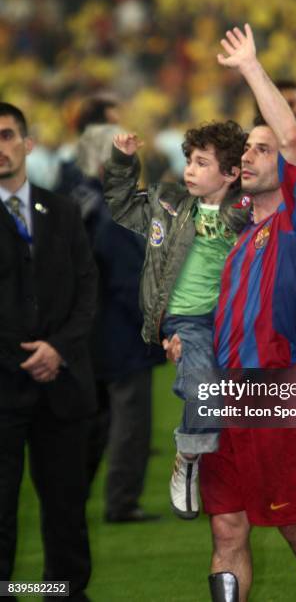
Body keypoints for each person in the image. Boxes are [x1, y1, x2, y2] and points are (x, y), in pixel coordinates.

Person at [178, 24, 296, 602]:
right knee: (226, 527)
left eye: (261, 148)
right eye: (245, 148)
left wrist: (251, 67)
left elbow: (295, 142)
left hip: (276, 389)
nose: (249, 155)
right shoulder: (230, 229)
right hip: (222, 393)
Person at [103, 120, 249, 519]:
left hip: (237, 321)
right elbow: (120, 204)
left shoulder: (248, 210)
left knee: (272, 403)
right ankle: (188, 458)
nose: (189, 169)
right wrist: (122, 162)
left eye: (202, 163)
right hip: (186, 320)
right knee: (203, 390)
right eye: (189, 160)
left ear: (231, 173)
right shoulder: (167, 202)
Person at [0, 102, 97, 600]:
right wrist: (22, 354)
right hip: (3, 386)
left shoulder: (60, 210)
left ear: (27, 143)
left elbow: (87, 288)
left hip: (62, 385)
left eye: (6, 135)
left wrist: (57, 349)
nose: (0, 148)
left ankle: (65, 593)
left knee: (65, 506)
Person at [71, 123, 165, 522]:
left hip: (98, 330)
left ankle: (76, 493)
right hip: (122, 333)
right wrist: (156, 326)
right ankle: (122, 501)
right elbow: (131, 282)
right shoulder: (115, 215)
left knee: (100, 420)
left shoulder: (86, 203)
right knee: (131, 422)